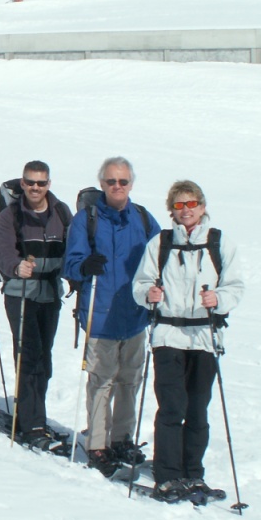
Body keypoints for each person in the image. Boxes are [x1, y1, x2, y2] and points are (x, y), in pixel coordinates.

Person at [133, 180, 244, 501]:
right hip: (168, 335)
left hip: (204, 336)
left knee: (197, 409)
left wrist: (218, 299)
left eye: (192, 203)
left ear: (202, 206)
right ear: (172, 210)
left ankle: (193, 473)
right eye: (179, 205)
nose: (186, 210)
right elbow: (140, 283)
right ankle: (167, 476)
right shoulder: (161, 243)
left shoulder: (219, 243)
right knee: (171, 407)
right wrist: (149, 294)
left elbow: (235, 286)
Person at [64, 157, 161, 475]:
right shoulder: (86, 219)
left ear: (131, 183)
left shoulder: (143, 218)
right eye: (111, 181)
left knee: (130, 380)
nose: (117, 186)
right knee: (101, 382)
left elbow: (161, 256)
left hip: (135, 314)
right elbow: (70, 263)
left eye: (123, 181)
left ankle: (122, 439)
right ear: (102, 183)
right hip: (101, 315)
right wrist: (84, 265)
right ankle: (97, 444)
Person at [0, 161, 73, 448]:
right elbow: (2, 252)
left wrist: (76, 270)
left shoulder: (61, 212)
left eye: (41, 183)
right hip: (21, 293)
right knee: (28, 356)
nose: (35, 188)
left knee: (44, 358)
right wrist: (16, 266)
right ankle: (32, 423)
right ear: (23, 183)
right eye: (30, 182)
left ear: (48, 184)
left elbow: (72, 248)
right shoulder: (11, 215)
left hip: (49, 293)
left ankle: (35, 415)